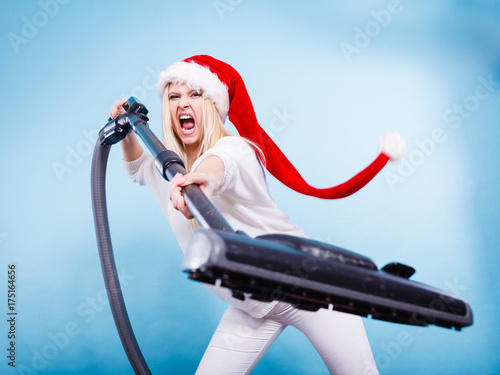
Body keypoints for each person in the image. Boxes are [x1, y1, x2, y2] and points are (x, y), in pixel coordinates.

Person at [110, 55, 405, 374]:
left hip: (307, 284)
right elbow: (138, 168)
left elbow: (217, 168)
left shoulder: (237, 150)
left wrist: (199, 181)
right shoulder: (166, 165)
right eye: (174, 96)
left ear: (212, 104)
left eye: (195, 94)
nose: (184, 104)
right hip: (251, 302)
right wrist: (126, 130)